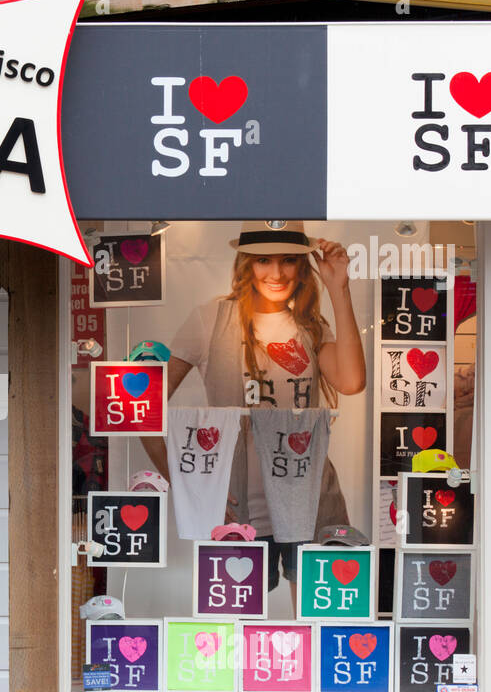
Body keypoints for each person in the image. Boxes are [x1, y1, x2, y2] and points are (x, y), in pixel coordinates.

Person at [141, 221, 366, 608]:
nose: (276, 273)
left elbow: (351, 382)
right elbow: (144, 406)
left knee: (317, 620)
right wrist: (190, 484)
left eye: (288, 261)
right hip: (237, 506)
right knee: (236, 633)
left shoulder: (311, 326)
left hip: (310, 497)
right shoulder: (210, 319)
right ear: (246, 264)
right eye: (263, 260)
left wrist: (338, 288)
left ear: (302, 265)